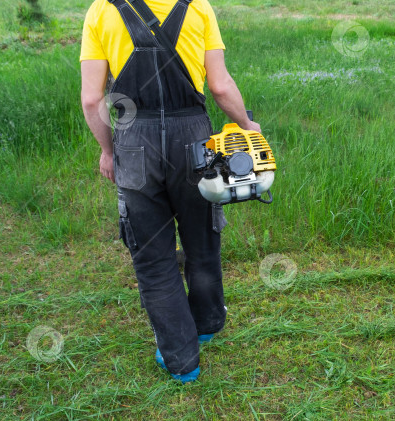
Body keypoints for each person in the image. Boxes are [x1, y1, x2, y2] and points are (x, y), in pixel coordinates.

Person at [79, 0, 259, 383]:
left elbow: (93, 99)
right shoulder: (199, 8)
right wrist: (246, 124)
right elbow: (220, 85)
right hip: (193, 136)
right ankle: (208, 322)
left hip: (134, 137)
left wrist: (109, 150)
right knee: (202, 239)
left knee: (154, 260)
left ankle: (181, 360)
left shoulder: (101, 10)